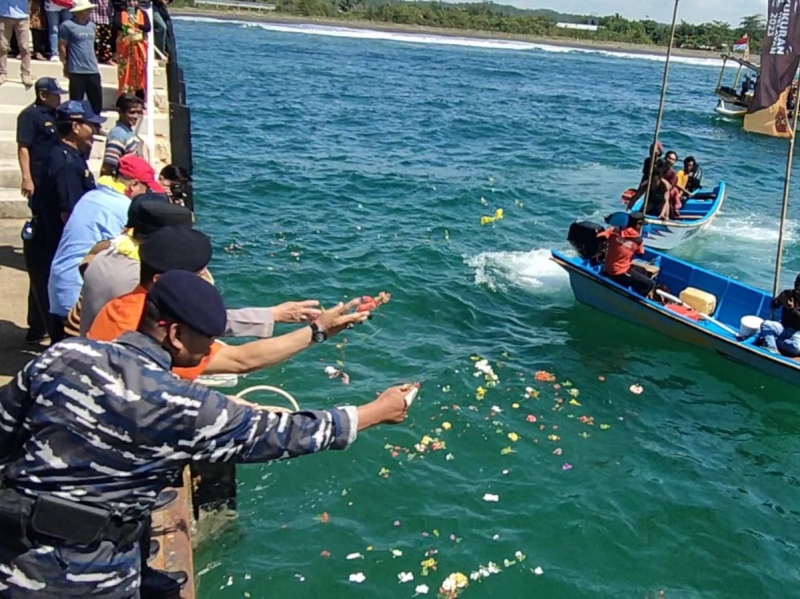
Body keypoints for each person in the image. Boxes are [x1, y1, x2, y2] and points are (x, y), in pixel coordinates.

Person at [0, 270, 412, 596]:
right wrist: (376, 411)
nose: (212, 347)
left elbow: (4, 427)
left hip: (12, 547)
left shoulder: (63, 355)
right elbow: (283, 433)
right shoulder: (187, 407)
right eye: (207, 339)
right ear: (176, 334)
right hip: (88, 573)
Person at [88, 225, 351, 380]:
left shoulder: (122, 307)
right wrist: (318, 331)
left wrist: (273, 314)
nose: (207, 278)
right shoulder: (145, 329)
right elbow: (240, 361)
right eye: (199, 274)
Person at [47, 155, 162, 322]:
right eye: (147, 189)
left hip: (58, 286)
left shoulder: (90, 196)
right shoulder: (124, 208)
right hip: (78, 295)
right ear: (134, 184)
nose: (147, 195)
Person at [34, 99, 103, 341]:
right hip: (56, 241)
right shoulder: (65, 162)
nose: (94, 131)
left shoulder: (70, 155)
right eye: (90, 125)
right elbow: (69, 213)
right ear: (75, 126)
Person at [16, 77, 68, 342]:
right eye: (55, 94)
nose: (60, 97)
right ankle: (38, 324)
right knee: (43, 258)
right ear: (43, 94)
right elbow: (24, 147)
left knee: (47, 262)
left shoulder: (57, 115)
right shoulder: (31, 116)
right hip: (39, 186)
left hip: (53, 184)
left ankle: (40, 323)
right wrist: (27, 177)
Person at [59, 0, 103, 116]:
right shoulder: (66, 26)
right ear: (78, 12)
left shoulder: (92, 26)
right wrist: (65, 64)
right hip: (76, 69)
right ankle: (75, 125)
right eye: (86, 10)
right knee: (76, 101)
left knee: (96, 100)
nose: (89, 12)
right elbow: (62, 45)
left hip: (92, 68)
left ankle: (96, 124)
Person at [597, 212, 653, 296]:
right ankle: (638, 300)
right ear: (638, 225)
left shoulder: (614, 230)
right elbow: (641, 253)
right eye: (642, 225)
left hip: (608, 267)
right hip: (620, 272)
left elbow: (600, 236)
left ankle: (627, 286)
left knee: (643, 271)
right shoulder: (638, 241)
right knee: (648, 284)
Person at [756, 275, 800, 357]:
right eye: (798, 284)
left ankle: (775, 340)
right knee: (766, 324)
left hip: (797, 333)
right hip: (783, 327)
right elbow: (773, 306)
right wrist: (778, 300)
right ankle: (772, 348)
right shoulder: (788, 294)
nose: (798, 288)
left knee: (796, 348)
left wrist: (792, 309)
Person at [101, 92, 143, 175]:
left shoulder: (127, 131)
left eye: (139, 112)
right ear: (120, 112)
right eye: (132, 112)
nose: (136, 116)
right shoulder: (118, 135)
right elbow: (108, 168)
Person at [115, 0, 149, 99]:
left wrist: (137, 25)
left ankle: (140, 97)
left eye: (134, 0)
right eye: (129, 0)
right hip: (125, 48)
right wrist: (126, 29)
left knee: (139, 71)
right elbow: (117, 24)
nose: (132, 3)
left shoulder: (142, 13)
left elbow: (148, 27)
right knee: (125, 72)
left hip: (138, 47)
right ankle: (124, 97)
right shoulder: (121, 13)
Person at [0, 0, 33, 86]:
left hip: (22, 16)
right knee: (2, 46)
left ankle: (26, 73)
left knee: (24, 47)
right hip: (4, 14)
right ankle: (2, 72)